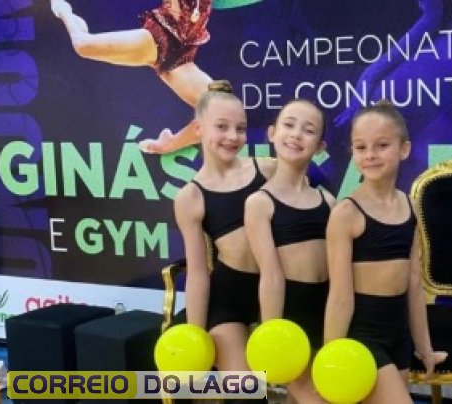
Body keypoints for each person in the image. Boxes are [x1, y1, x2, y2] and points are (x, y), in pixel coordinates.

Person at [324, 100, 447, 403]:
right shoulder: (346, 214)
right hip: (363, 336)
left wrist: (425, 348)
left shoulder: (410, 206)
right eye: (361, 147)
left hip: (398, 335)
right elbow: (339, 296)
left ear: (404, 149)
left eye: (381, 145)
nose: (370, 155)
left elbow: (414, 284)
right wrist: (330, 359)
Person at [172, 80, 275, 398]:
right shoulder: (190, 197)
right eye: (222, 127)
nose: (233, 136)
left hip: (279, 291)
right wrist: (196, 337)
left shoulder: (268, 170)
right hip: (229, 300)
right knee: (246, 391)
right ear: (198, 129)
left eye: (240, 129)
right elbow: (198, 275)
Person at [244, 99, 335, 403]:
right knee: (311, 395)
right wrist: (273, 337)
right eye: (289, 125)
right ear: (271, 133)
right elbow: (270, 275)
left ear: (320, 147)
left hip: (325, 312)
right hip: (288, 313)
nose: (296, 134)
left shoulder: (328, 201)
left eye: (308, 130)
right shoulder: (259, 203)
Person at [50, 0, 214, 154]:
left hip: (182, 56)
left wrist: (169, 145)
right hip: (159, 39)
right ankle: (64, 11)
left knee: (217, 113)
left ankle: (167, 144)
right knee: (82, 45)